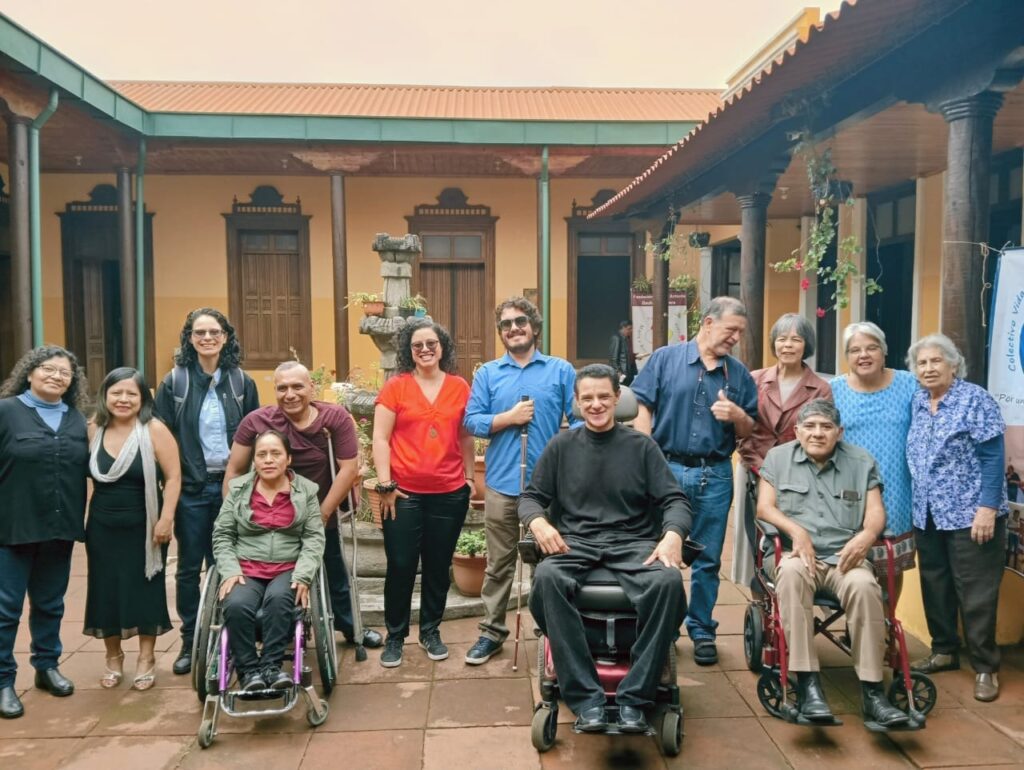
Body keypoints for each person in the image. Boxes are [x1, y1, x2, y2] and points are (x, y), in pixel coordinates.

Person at [521, 364, 692, 733]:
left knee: (668, 583)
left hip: (633, 543)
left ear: (617, 397)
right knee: (547, 578)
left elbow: (674, 500)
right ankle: (586, 699)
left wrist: (673, 535)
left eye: (603, 396)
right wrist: (538, 522)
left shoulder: (642, 447)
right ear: (577, 403)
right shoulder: (561, 446)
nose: (596, 404)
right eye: (587, 398)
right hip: (576, 543)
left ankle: (636, 699)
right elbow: (532, 498)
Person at [756, 399, 909, 728]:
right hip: (796, 556)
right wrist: (797, 532)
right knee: (793, 575)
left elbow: (876, 512)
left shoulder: (861, 461)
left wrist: (868, 535)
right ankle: (809, 686)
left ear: (839, 432)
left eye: (826, 427)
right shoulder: (778, 458)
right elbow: (764, 508)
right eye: (809, 426)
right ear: (797, 431)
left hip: (845, 557)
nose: (817, 433)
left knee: (866, 586)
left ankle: (872, 693)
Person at [631, 295, 757, 666]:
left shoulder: (739, 374)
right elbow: (642, 405)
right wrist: (646, 453)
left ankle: (701, 628)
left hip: (714, 474)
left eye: (740, 333)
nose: (735, 337)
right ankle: (661, 628)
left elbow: (750, 427)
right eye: (730, 329)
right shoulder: (665, 359)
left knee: (706, 558)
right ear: (707, 322)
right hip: (665, 468)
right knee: (656, 553)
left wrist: (736, 414)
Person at [224, 361, 382, 649]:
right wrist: (232, 514)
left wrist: (322, 514)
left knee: (334, 571)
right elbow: (234, 470)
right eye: (282, 388)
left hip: (323, 508)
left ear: (311, 387)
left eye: (297, 386)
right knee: (269, 573)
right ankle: (268, 628)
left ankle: (350, 627)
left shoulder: (334, 418)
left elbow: (347, 469)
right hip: (269, 513)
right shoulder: (257, 421)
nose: (290, 394)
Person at [462, 297, 578, 665]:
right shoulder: (488, 374)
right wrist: (508, 418)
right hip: (501, 484)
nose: (514, 328)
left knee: (550, 564)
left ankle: (550, 629)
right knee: (498, 565)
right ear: (501, 333)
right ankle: (491, 633)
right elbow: (472, 421)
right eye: (506, 324)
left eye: (520, 321)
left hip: (548, 488)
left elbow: (577, 422)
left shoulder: (560, 370)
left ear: (535, 327)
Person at [154, 308, 260, 676]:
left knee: (229, 563)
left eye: (214, 332)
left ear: (226, 337)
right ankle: (191, 639)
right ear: (190, 338)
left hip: (233, 488)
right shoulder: (175, 382)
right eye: (199, 332)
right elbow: (162, 435)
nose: (207, 338)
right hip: (192, 489)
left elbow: (255, 434)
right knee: (188, 567)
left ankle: (227, 636)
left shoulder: (241, 382)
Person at [905, 333, 1009, 702]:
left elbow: (993, 457)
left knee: (976, 592)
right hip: (929, 513)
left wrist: (987, 508)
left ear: (953, 365)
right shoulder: (918, 400)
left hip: (970, 513)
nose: (929, 368)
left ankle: (985, 667)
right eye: (922, 363)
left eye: (936, 361)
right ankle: (944, 650)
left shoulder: (974, 399)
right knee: (936, 584)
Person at [372, 319, 474, 668]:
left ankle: (430, 630)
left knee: (437, 566)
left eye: (432, 343)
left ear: (442, 347)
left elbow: (464, 435)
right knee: (400, 565)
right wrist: (385, 484)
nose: (426, 349)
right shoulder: (396, 387)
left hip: (449, 492)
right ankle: (395, 636)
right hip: (402, 494)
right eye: (418, 345)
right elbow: (380, 439)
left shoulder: (460, 387)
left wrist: (471, 477)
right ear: (409, 351)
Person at [0, 346, 90, 719]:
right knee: (5, 609)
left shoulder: (76, 418)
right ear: (30, 372)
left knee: (51, 602)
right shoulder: (6, 412)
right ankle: (4, 680)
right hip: (12, 527)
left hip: (59, 527)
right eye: (48, 369)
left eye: (64, 373)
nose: (56, 376)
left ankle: (47, 665)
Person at [85, 368, 181, 691]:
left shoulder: (154, 430)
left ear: (143, 399)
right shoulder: (94, 429)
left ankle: (146, 658)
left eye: (131, 394)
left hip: (145, 525)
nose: (123, 399)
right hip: (101, 525)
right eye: (117, 393)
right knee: (104, 589)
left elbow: (173, 477)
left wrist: (166, 517)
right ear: (105, 396)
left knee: (144, 588)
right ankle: (113, 657)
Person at [213, 430, 325, 691]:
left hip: (288, 567)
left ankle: (272, 668)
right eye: (261, 454)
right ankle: (249, 671)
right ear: (254, 460)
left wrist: (303, 575)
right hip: (246, 567)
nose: (268, 459)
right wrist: (229, 570)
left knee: (279, 599)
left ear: (288, 459)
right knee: (237, 604)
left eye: (276, 453)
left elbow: (313, 538)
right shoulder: (239, 489)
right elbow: (223, 533)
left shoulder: (306, 491)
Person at [733, 313, 832, 590]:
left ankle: (795, 590)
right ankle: (760, 597)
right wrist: (754, 459)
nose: (787, 345)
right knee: (755, 538)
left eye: (795, 339)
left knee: (788, 538)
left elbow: (821, 433)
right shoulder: (754, 379)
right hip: (754, 467)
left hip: (799, 476)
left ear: (806, 345)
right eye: (781, 339)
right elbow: (742, 425)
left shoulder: (820, 388)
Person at [831, 322, 917, 577]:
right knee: (849, 562)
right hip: (848, 486)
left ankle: (886, 618)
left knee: (891, 566)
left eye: (872, 348)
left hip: (896, 486)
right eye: (855, 350)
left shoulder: (909, 384)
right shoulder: (833, 390)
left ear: (884, 352)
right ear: (847, 357)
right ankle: (857, 617)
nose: (864, 355)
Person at [608, 320, 638, 386]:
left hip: (630, 371)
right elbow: (613, 357)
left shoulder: (627, 338)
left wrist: (635, 356)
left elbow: (626, 355)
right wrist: (618, 371)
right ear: (623, 328)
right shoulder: (616, 338)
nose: (631, 331)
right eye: (629, 329)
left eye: (632, 328)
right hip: (622, 372)